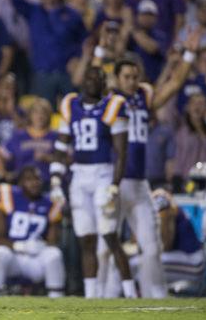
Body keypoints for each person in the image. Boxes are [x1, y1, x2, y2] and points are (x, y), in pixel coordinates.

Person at [106, 30, 200, 298]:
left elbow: (173, 85)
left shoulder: (143, 98)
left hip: (138, 182)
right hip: (112, 180)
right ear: (116, 77)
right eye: (127, 76)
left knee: (151, 243)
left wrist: (189, 56)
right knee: (107, 243)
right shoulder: (107, 101)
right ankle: (103, 296)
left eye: (136, 76)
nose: (133, 81)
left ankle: (154, 295)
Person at [50, 66, 136, 299]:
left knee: (109, 236)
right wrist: (56, 180)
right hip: (79, 175)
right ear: (82, 81)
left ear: (103, 83)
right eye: (88, 77)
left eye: (97, 79)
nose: (92, 82)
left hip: (102, 174)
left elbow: (121, 152)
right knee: (86, 238)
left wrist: (115, 184)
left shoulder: (114, 105)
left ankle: (131, 293)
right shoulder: (70, 105)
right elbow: (61, 146)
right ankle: (91, 296)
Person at [0, 166, 65, 297]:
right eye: (29, 179)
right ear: (20, 183)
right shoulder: (7, 195)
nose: (34, 183)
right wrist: (20, 246)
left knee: (54, 254)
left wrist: (42, 246)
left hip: (37, 259)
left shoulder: (50, 202)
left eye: (37, 179)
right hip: (14, 257)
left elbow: (53, 241)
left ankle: (57, 299)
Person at [11, 0, 87, 105]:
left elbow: (85, 40)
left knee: (73, 109)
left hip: (67, 73)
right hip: (42, 73)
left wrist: (78, 58)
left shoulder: (72, 14)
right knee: (41, 111)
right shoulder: (33, 10)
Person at [0, 97, 56, 183]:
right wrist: (5, 174)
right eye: (36, 112)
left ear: (49, 115)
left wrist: (48, 158)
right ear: (30, 115)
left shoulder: (55, 136)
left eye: (44, 113)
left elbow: (67, 160)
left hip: (47, 184)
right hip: (22, 186)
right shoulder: (19, 136)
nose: (40, 116)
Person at [125, 0, 168, 83]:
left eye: (150, 15)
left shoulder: (160, 35)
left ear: (155, 18)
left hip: (155, 82)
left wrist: (133, 30)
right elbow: (119, 50)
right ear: (137, 16)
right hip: (133, 81)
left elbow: (152, 48)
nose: (146, 18)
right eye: (143, 14)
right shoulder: (130, 35)